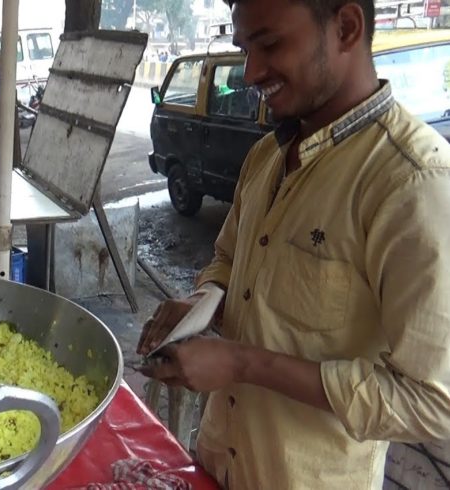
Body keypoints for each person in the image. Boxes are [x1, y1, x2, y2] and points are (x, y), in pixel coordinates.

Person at [137, 0, 450, 487]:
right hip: (219, 459)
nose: (251, 71)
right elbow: (226, 260)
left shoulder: (413, 183)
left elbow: (433, 405)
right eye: (245, 48)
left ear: (346, 27)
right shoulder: (267, 155)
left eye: (270, 43)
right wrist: (201, 306)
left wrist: (241, 362)